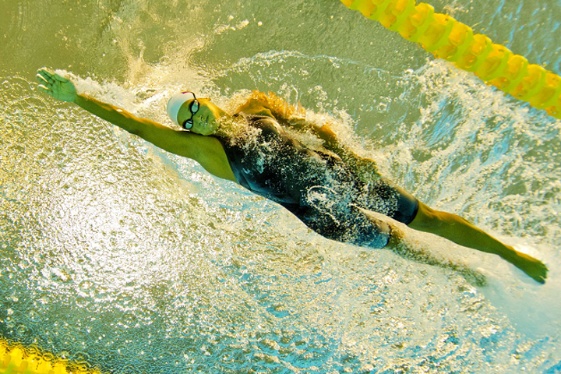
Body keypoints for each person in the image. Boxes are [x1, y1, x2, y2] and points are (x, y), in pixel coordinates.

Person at [36, 67, 548, 284]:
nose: (194, 121)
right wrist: (79, 98)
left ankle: (511, 255)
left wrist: (351, 155)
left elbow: (312, 128)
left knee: (427, 218)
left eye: (194, 108)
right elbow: (139, 127)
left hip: (349, 180)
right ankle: (465, 273)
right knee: (401, 245)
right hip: (322, 215)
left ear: (203, 97)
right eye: (186, 123)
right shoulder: (211, 155)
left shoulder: (255, 106)